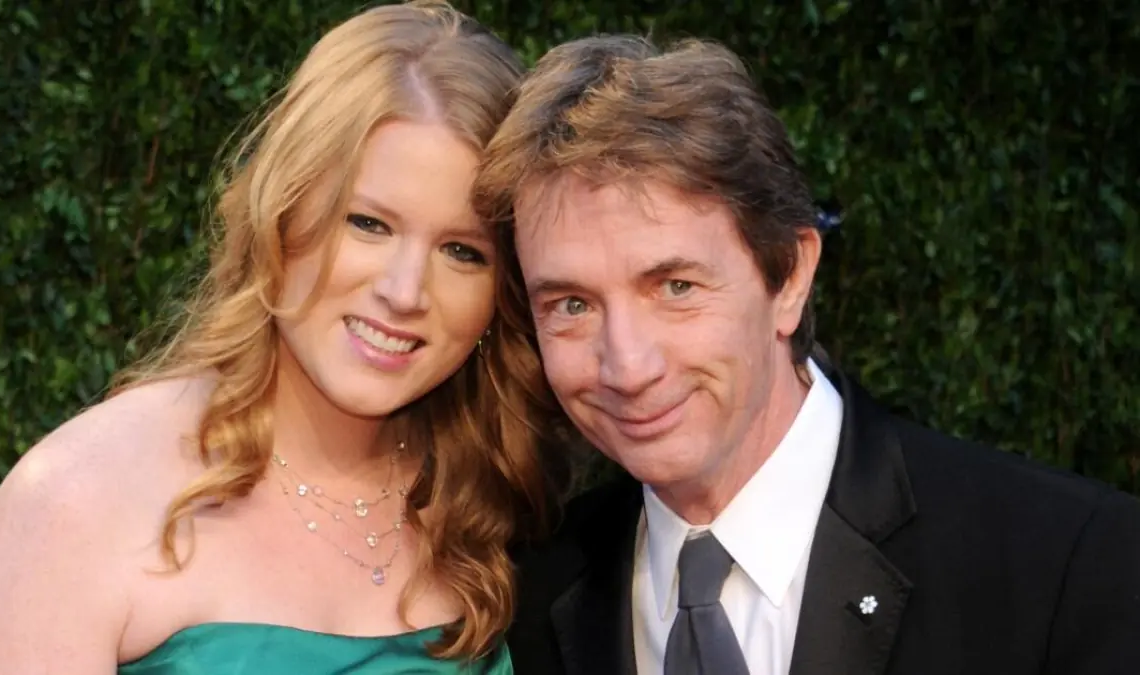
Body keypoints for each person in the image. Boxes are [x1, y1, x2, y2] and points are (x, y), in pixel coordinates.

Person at [473, 34, 1140, 675]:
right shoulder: (523, 597)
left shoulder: (1067, 567)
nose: (627, 366)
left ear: (789, 275)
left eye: (676, 287)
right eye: (572, 305)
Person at [0, 2, 564, 673]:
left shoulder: (503, 506)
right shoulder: (77, 499)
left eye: (463, 251)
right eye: (367, 223)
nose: (405, 291)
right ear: (280, 213)